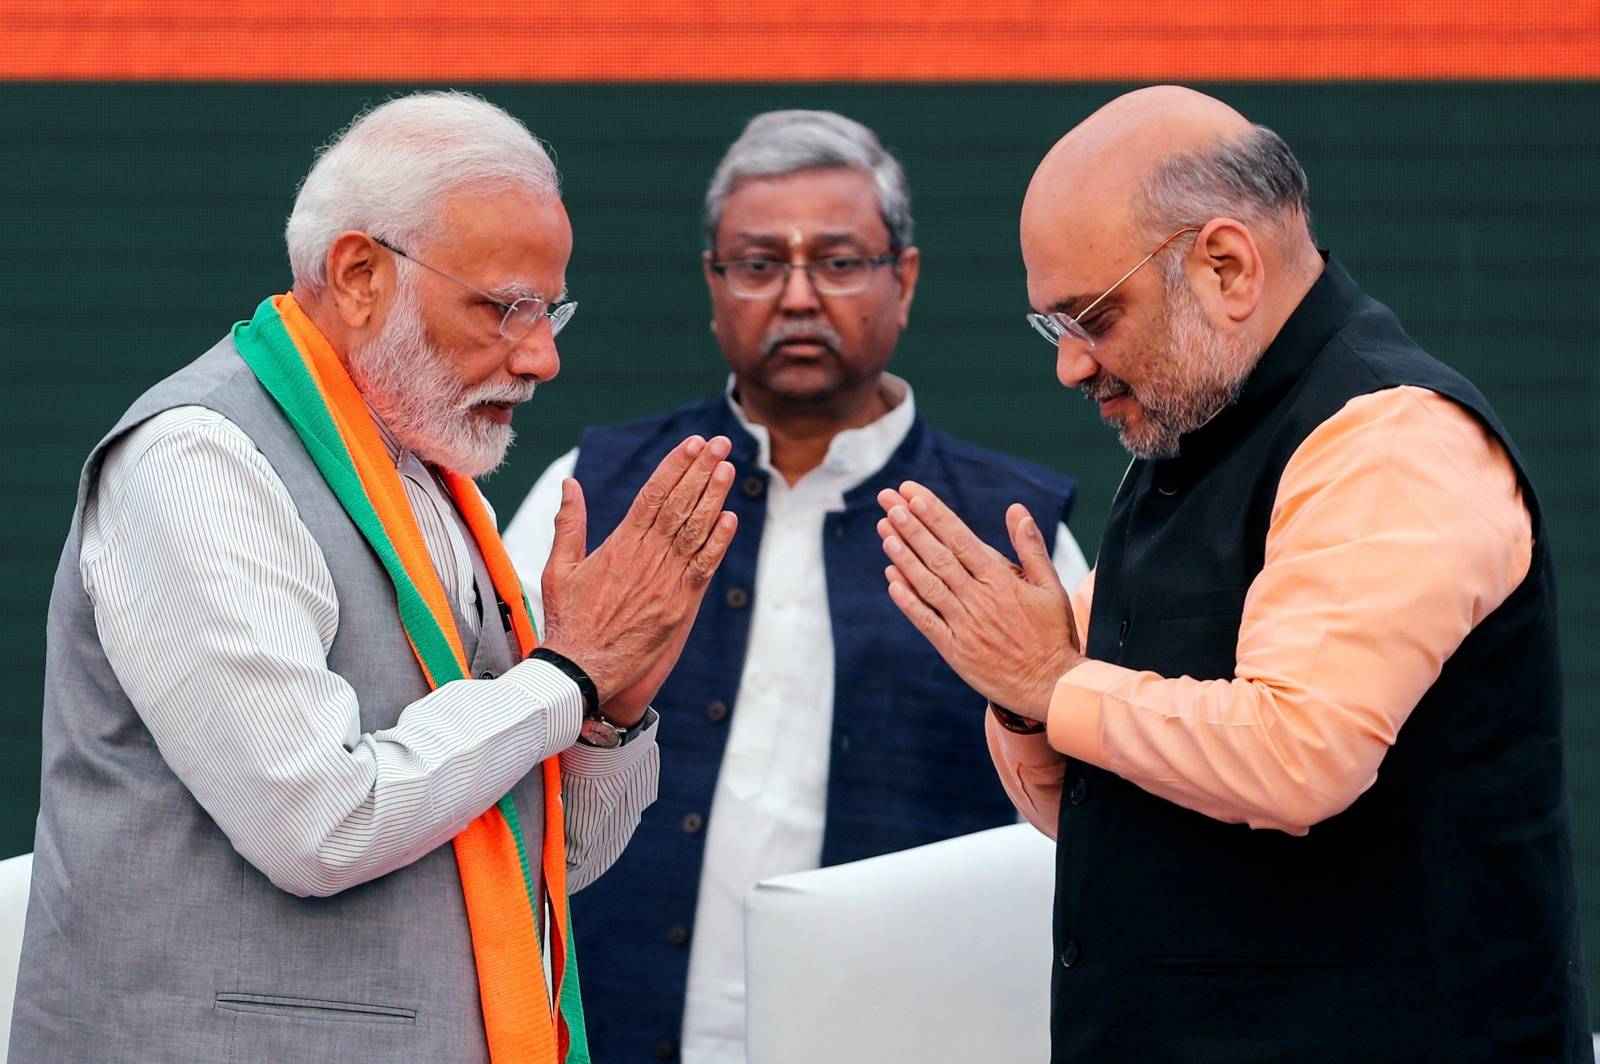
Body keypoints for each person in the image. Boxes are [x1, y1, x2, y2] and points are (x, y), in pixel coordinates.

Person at [10, 91, 740, 1063]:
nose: (544, 355)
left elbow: (535, 860)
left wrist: (602, 715)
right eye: (504, 307)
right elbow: (322, 823)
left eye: (551, 307)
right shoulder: (198, 459)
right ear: (359, 275)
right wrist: (562, 676)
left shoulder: (426, 479)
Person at [875, 86, 1590, 1061]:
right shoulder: (1192, 448)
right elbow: (1102, 813)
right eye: (1055, 330)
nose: (1069, 368)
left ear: (1224, 265)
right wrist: (1029, 704)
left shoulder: (1388, 438)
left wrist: (1050, 680)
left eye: (1091, 316)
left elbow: (1299, 754)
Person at [502, 109, 1087, 1062]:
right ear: (714, 286)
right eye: (760, 263)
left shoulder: (1015, 532)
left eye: (842, 262)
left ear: (904, 280)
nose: (800, 296)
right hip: (604, 1027)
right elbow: (488, 748)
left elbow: (1084, 815)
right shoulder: (595, 490)